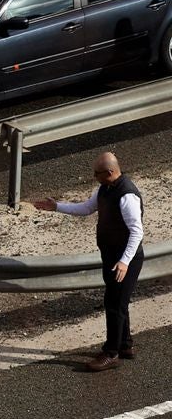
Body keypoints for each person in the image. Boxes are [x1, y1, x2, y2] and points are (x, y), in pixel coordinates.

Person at [33, 151, 145, 372]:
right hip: (112, 256)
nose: (95, 177)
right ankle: (125, 344)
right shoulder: (105, 188)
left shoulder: (126, 195)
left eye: (98, 173)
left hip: (124, 260)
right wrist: (57, 207)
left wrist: (124, 262)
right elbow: (86, 208)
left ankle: (111, 353)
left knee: (114, 304)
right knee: (118, 302)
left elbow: (136, 232)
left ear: (111, 172)